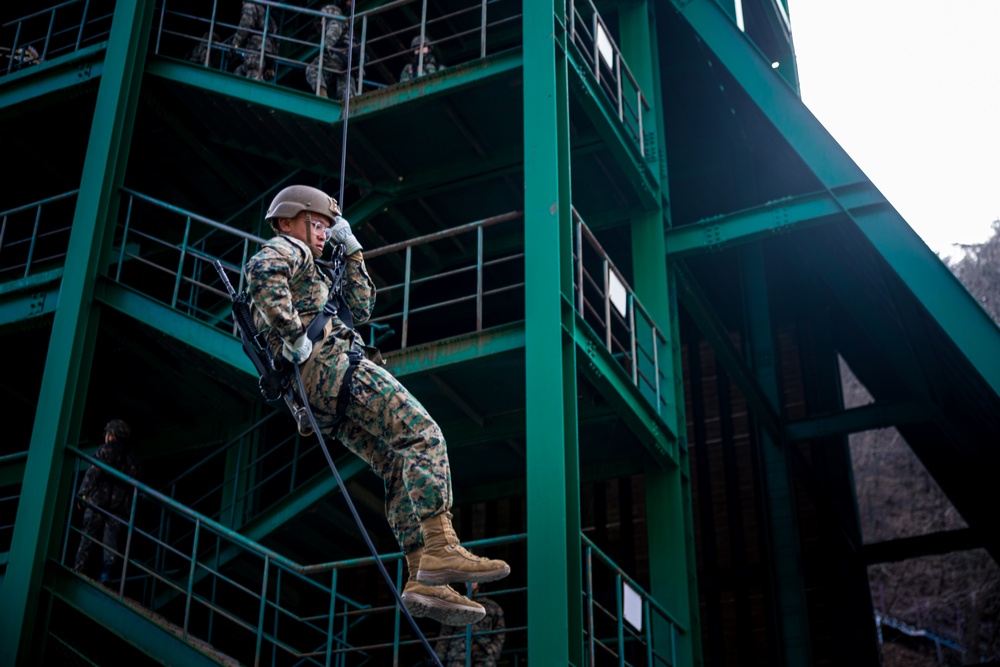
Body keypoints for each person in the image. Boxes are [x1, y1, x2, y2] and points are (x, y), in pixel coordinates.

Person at [244, 185, 510, 626]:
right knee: (422, 435)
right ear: (289, 221)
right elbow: (261, 271)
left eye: (328, 227)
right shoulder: (285, 248)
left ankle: (422, 575)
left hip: (318, 396)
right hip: (332, 367)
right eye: (318, 223)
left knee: (394, 463)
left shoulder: (312, 266)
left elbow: (362, 309)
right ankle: (442, 548)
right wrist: (293, 334)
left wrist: (351, 253)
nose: (324, 233)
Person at [73, 419, 142, 585]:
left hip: (98, 500)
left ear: (111, 435)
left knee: (88, 536)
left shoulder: (105, 450)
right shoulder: (132, 459)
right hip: (119, 506)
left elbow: (93, 472)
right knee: (111, 539)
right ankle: (107, 573)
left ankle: (79, 570)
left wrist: (83, 493)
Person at [433, 582, 506, 667]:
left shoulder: (492, 607)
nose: (470, 582)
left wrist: (493, 650)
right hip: (458, 654)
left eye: (474, 579)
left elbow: (499, 633)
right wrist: (439, 656)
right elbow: (445, 634)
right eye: (467, 579)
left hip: (484, 653)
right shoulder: (455, 607)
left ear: (479, 582)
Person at [305, 2, 358, 99]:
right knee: (344, 83)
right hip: (350, 57)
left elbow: (334, 28)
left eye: (322, 19)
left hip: (341, 53)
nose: (321, 22)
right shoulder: (344, 21)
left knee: (312, 69)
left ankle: (322, 96)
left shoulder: (334, 16)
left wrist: (327, 46)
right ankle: (349, 102)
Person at [231, 1, 278, 81]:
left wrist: (236, 42)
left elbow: (245, 24)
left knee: (253, 80)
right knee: (240, 72)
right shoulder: (265, 10)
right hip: (268, 50)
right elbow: (275, 36)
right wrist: (271, 65)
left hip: (256, 48)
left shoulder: (251, 4)